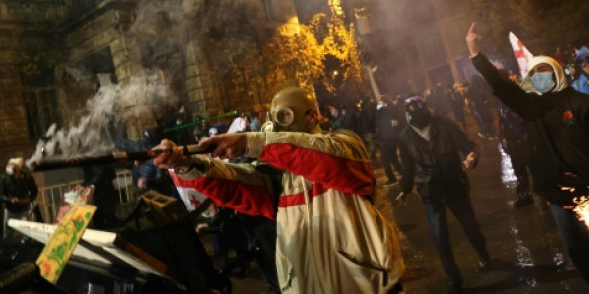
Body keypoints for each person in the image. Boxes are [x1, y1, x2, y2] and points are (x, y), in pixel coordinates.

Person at [153, 86, 404, 294]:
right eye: (273, 119)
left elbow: (324, 159)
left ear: (313, 116)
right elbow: (234, 183)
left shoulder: (346, 145)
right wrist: (185, 163)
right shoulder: (281, 177)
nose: (277, 126)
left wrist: (251, 143)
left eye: (284, 117)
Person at [466, 24, 589, 294]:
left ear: (556, 72)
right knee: (587, 263)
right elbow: (500, 85)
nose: (539, 77)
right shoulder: (532, 107)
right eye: (534, 73)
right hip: (560, 201)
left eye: (543, 71)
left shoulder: (585, 104)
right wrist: (476, 55)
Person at [395, 95, 490, 294]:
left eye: (419, 107)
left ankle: (483, 254)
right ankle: (453, 278)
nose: (416, 112)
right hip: (431, 191)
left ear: (427, 109)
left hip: (454, 184)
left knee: (470, 225)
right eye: (411, 110)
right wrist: (404, 188)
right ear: (407, 115)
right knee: (440, 237)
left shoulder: (445, 125)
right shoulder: (405, 136)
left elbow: (467, 146)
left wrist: (471, 157)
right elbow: (407, 166)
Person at [497, 73, 533, 208]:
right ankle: (524, 195)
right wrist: (503, 137)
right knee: (519, 170)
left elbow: (522, 118)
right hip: (513, 141)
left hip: (525, 139)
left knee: (534, 168)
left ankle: (543, 196)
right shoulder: (501, 99)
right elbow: (502, 121)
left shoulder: (517, 95)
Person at [0, 157, 38, 237]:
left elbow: (34, 190)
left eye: (12, 166)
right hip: (10, 210)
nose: (9, 168)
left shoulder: (27, 178)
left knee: (27, 233)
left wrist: (29, 199)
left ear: (18, 168)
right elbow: (0, 194)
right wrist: (10, 200)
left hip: (24, 210)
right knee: (7, 235)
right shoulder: (5, 179)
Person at [375, 95, 402, 186]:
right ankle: (401, 172)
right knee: (393, 157)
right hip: (392, 138)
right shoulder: (391, 110)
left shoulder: (382, 112)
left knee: (384, 159)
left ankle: (392, 179)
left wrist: (379, 109)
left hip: (387, 138)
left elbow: (381, 123)